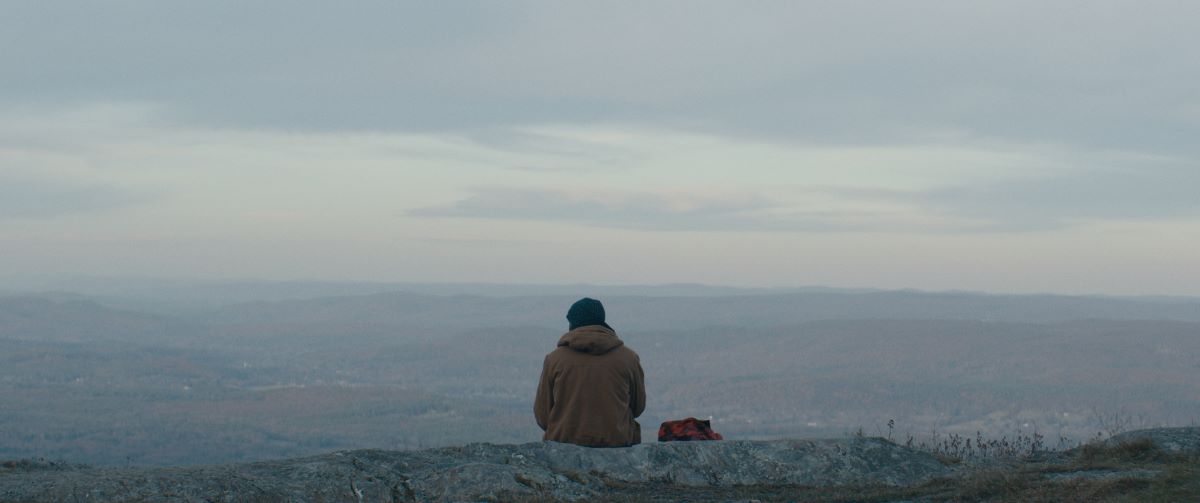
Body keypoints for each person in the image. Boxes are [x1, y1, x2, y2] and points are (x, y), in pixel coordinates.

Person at [534, 297, 646, 447]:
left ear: (573, 323)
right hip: (617, 443)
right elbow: (638, 407)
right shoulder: (628, 358)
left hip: (563, 444)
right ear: (602, 321)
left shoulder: (554, 359)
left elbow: (543, 416)